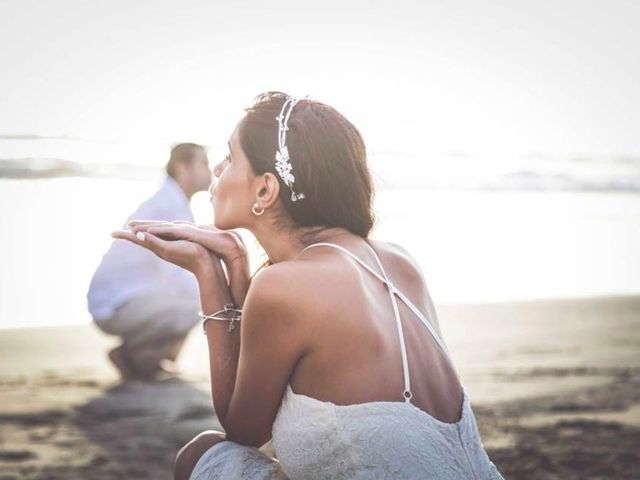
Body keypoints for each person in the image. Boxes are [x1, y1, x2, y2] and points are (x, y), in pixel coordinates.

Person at [114, 92, 503, 478]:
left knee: (201, 454)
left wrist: (208, 272)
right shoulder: (399, 262)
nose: (217, 168)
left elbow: (242, 430)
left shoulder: (285, 287)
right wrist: (235, 261)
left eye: (230, 157)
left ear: (265, 190)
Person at [88, 143, 212, 380]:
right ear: (181, 167)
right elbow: (178, 272)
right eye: (203, 163)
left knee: (197, 299)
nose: (211, 171)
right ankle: (135, 356)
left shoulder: (172, 202)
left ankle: (149, 358)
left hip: (127, 300)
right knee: (201, 304)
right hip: (115, 306)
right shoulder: (167, 207)